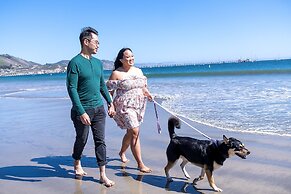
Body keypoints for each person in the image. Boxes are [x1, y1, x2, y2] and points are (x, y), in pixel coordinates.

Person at [66, 27, 115, 187]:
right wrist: (81, 111)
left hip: (99, 109)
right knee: (82, 139)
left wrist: (110, 102)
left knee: (100, 141)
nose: (98, 45)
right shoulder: (75, 63)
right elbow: (71, 88)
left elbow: (102, 85)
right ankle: (77, 163)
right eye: (96, 42)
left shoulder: (98, 63)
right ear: (86, 42)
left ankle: (102, 175)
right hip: (83, 110)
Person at [106, 48, 153, 173]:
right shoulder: (116, 73)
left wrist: (148, 94)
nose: (131, 58)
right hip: (124, 106)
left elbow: (143, 86)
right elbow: (109, 92)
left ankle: (121, 152)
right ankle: (140, 164)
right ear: (121, 60)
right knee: (135, 131)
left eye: (132, 56)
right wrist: (110, 106)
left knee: (130, 133)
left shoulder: (138, 71)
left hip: (139, 105)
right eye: (127, 57)